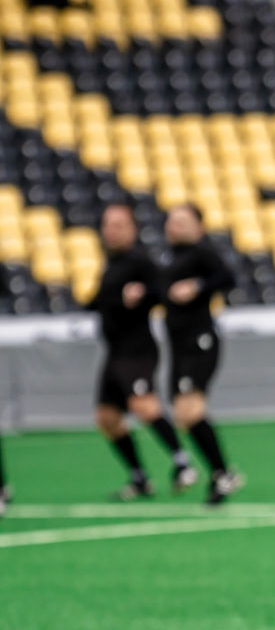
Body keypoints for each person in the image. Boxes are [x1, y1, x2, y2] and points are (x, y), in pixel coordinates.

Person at [91, 202, 196, 501]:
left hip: (137, 350)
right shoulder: (110, 262)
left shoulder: (140, 262)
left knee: (144, 405)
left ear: (132, 229)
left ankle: (181, 462)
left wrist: (144, 294)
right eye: (108, 225)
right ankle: (139, 478)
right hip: (114, 352)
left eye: (118, 225)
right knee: (108, 418)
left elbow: (163, 290)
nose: (111, 231)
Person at [162, 202, 244, 507]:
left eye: (182, 221)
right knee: (184, 414)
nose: (175, 227)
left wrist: (197, 286)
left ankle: (222, 473)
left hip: (199, 341)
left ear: (198, 226)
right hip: (178, 345)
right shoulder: (169, 257)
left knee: (189, 410)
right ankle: (220, 473)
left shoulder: (202, 253)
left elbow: (229, 279)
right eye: (172, 221)